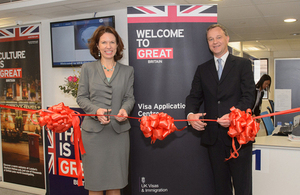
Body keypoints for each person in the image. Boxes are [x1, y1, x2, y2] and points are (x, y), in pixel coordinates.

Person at [185, 24, 255, 195]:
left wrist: (234, 115)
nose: (215, 42)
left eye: (218, 37)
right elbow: (194, 97)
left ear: (227, 39)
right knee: (220, 188)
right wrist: (190, 115)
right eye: (210, 39)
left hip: (238, 138)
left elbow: (249, 96)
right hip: (214, 139)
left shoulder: (243, 64)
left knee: (242, 187)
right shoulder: (203, 69)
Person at [76, 26, 135, 195]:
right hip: (93, 136)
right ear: (97, 46)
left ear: (118, 46)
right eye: (104, 42)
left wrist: (125, 109)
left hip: (118, 134)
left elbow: (129, 97)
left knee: (115, 183)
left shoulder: (128, 71)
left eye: (112, 42)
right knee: (95, 184)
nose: (108, 46)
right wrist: (96, 111)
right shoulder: (87, 69)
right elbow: (81, 98)